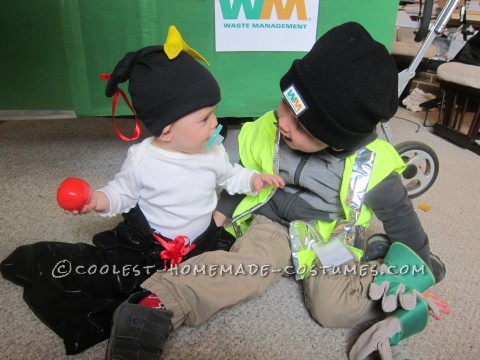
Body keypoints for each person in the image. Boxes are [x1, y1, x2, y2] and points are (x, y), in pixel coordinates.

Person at [104, 22, 450, 360]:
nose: (283, 121)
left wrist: (420, 268)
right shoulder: (268, 129)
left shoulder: (371, 165)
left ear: (337, 139)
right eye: (287, 103)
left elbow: (401, 216)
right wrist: (219, 216)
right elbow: (241, 172)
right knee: (245, 267)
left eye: (301, 125)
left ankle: (377, 264)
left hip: (328, 236)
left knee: (331, 309)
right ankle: (157, 305)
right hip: (271, 223)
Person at [0, 26, 283, 355]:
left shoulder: (213, 152)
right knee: (113, 279)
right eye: (205, 118)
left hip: (201, 239)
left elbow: (229, 175)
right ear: (166, 131)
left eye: (213, 113)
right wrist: (96, 200)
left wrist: (252, 180)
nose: (215, 123)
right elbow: (122, 192)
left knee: (222, 273)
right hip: (151, 243)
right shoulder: (144, 159)